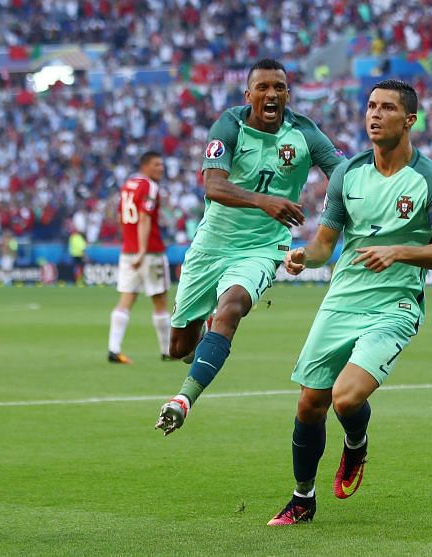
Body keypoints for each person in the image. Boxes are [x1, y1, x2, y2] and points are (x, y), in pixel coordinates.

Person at [267, 80, 432, 526]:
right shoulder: (347, 174)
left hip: (394, 306)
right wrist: (304, 256)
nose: (375, 115)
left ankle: (355, 444)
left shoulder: (430, 180)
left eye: (387, 108)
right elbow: (324, 245)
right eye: (371, 106)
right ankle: (302, 500)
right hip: (341, 300)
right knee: (308, 404)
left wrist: (401, 252)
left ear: (409, 120)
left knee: (346, 398)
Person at [154, 59, 345, 435]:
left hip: (262, 248)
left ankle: (183, 400)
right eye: (263, 87)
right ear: (249, 94)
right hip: (211, 246)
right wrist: (266, 201)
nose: (272, 94)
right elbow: (213, 186)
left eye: (279, 87)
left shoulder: (304, 133)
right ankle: (203, 343)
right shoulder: (230, 124)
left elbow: (342, 174)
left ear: (288, 94)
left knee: (232, 307)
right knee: (179, 347)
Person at [107, 151, 172, 364]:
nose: (161, 168)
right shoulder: (150, 186)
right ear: (145, 166)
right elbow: (144, 218)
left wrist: (131, 243)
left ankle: (114, 348)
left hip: (128, 250)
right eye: (156, 164)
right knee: (160, 301)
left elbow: (119, 216)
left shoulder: (128, 185)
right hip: (150, 252)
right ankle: (167, 350)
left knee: (127, 298)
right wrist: (143, 250)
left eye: (161, 164)